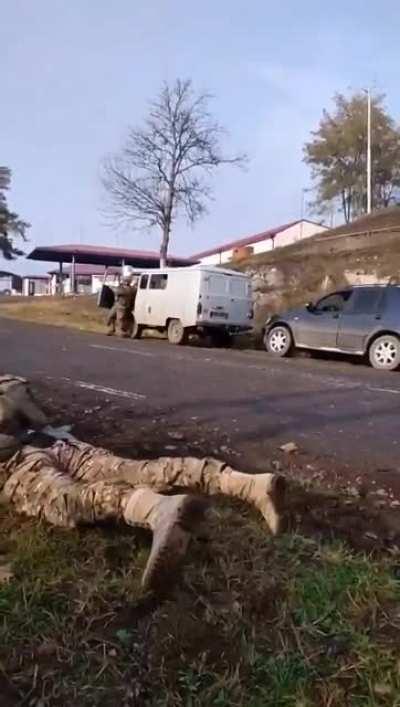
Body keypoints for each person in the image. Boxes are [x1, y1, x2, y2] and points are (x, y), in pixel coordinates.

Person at [0, 375, 285, 592]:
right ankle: (249, 485)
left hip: (15, 464)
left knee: (71, 500)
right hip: (53, 441)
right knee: (142, 470)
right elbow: (19, 392)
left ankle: (159, 510)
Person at [107, 267, 138, 337]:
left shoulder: (129, 289)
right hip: (118, 305)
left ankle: (121, 332)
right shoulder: (128, 288)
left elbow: (118, 292)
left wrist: (112, 288)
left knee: (120, 319)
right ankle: (112, 329)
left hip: (123, 306)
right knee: (111, 316)